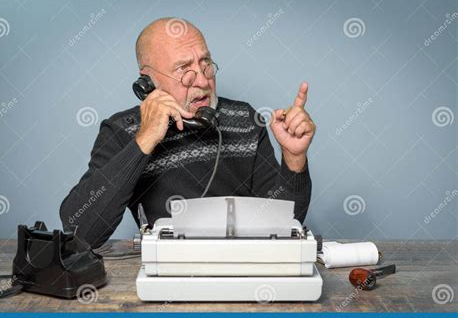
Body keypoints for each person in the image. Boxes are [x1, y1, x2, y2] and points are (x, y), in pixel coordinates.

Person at [60, 18, 316, 248]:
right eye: (183, 69)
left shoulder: (246, 120)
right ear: (147, 83)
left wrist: (294, 160)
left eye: (205, 64)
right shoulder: (122, 130)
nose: (203, 81)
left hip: (240, 265)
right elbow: (81, 231)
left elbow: (283, 224)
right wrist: (145, 139)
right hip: (167, 271)